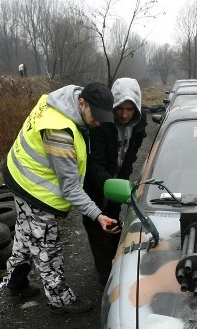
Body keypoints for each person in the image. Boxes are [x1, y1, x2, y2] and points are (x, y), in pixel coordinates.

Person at [0, 82, 121, 313]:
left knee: (26, 231)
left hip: (17, 172)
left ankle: (16, 281)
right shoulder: (60, 133)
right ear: (82, 103)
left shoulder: (62, 99)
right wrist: (98, 215)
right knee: (47, 245)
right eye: (95, 116)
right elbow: (70, 188)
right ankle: (60, 300)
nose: (97, 122)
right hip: (34, 189)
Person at [83, 77, 147, 285]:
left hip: (117, 183)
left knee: (114, 227)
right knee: (99, 231)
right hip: (97, 188)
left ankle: (115, 265)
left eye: (130, 109)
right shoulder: (101, 124)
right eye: (120, 108)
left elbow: (130, 158)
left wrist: (122, 183)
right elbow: (94, 165)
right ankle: (106, 279)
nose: (125, 114)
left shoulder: (138, 123)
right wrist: (110, 186)